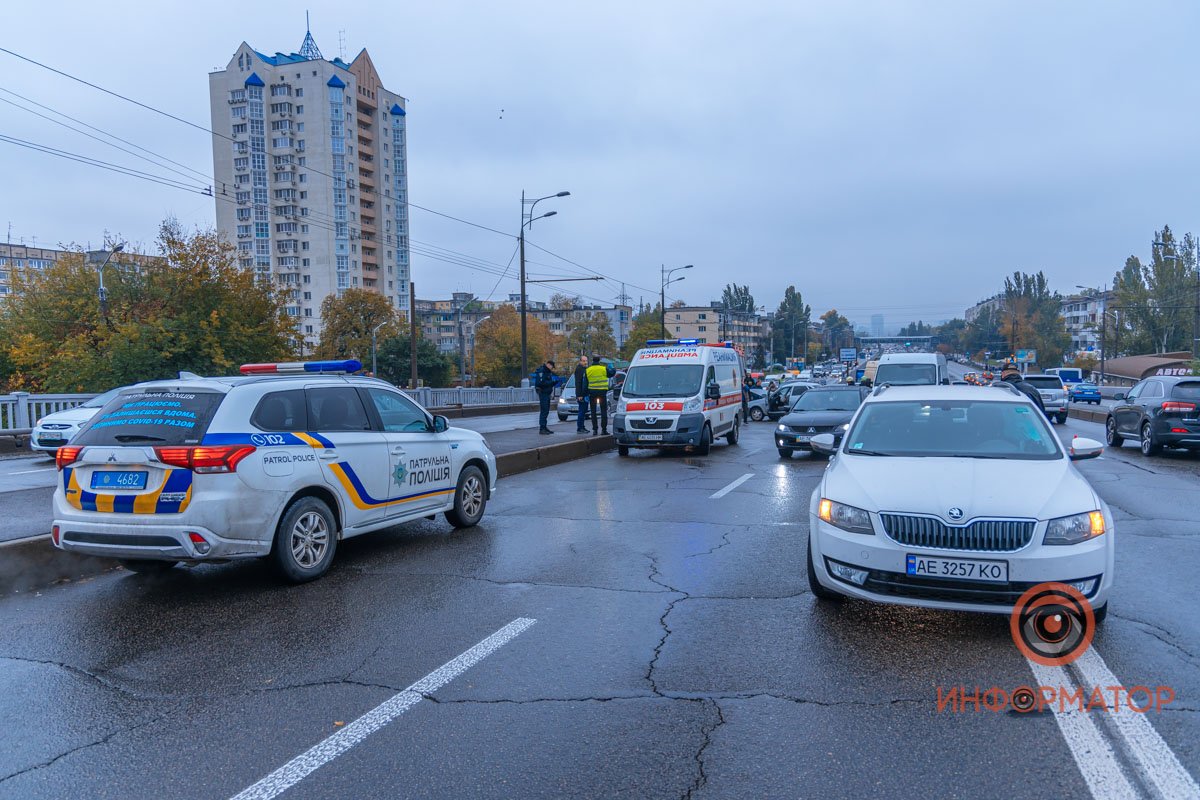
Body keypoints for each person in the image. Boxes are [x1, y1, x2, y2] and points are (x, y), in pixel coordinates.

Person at [585, 354, 614, 435]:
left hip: (592, 393)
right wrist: (612, 368)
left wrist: (585, 394)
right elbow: (611, 374)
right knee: (603, 411)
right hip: (602, 393)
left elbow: (585, 383)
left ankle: (595, 430)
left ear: (592, 360)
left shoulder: (588, 370)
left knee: (593, 412)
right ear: (599, 360)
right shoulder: (603, 369)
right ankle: (604, 430)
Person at [533, 359, 557, 434]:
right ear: (548, 365)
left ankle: (544, 427)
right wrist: (551, 382)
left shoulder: (547, 372)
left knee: (546, 411)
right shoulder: (542, 371)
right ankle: (542, 428)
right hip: (543, 393)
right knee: (544, 411)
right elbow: (541, 383)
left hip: (547, 393)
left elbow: (546, 382)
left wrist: (553, 383)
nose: (552, 368)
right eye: (552, 367)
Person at [573, 355, 590, 434]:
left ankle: (582, 427)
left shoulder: (584, 369)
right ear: (580, 361)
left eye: (586, 361)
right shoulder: (579, 369)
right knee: (582, 411)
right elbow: (578, 383)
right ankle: (580, 428)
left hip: (585, 393)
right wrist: (579, 395)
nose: (585, 362)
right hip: (581, 394)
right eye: (583, 361)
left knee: (583, 411)